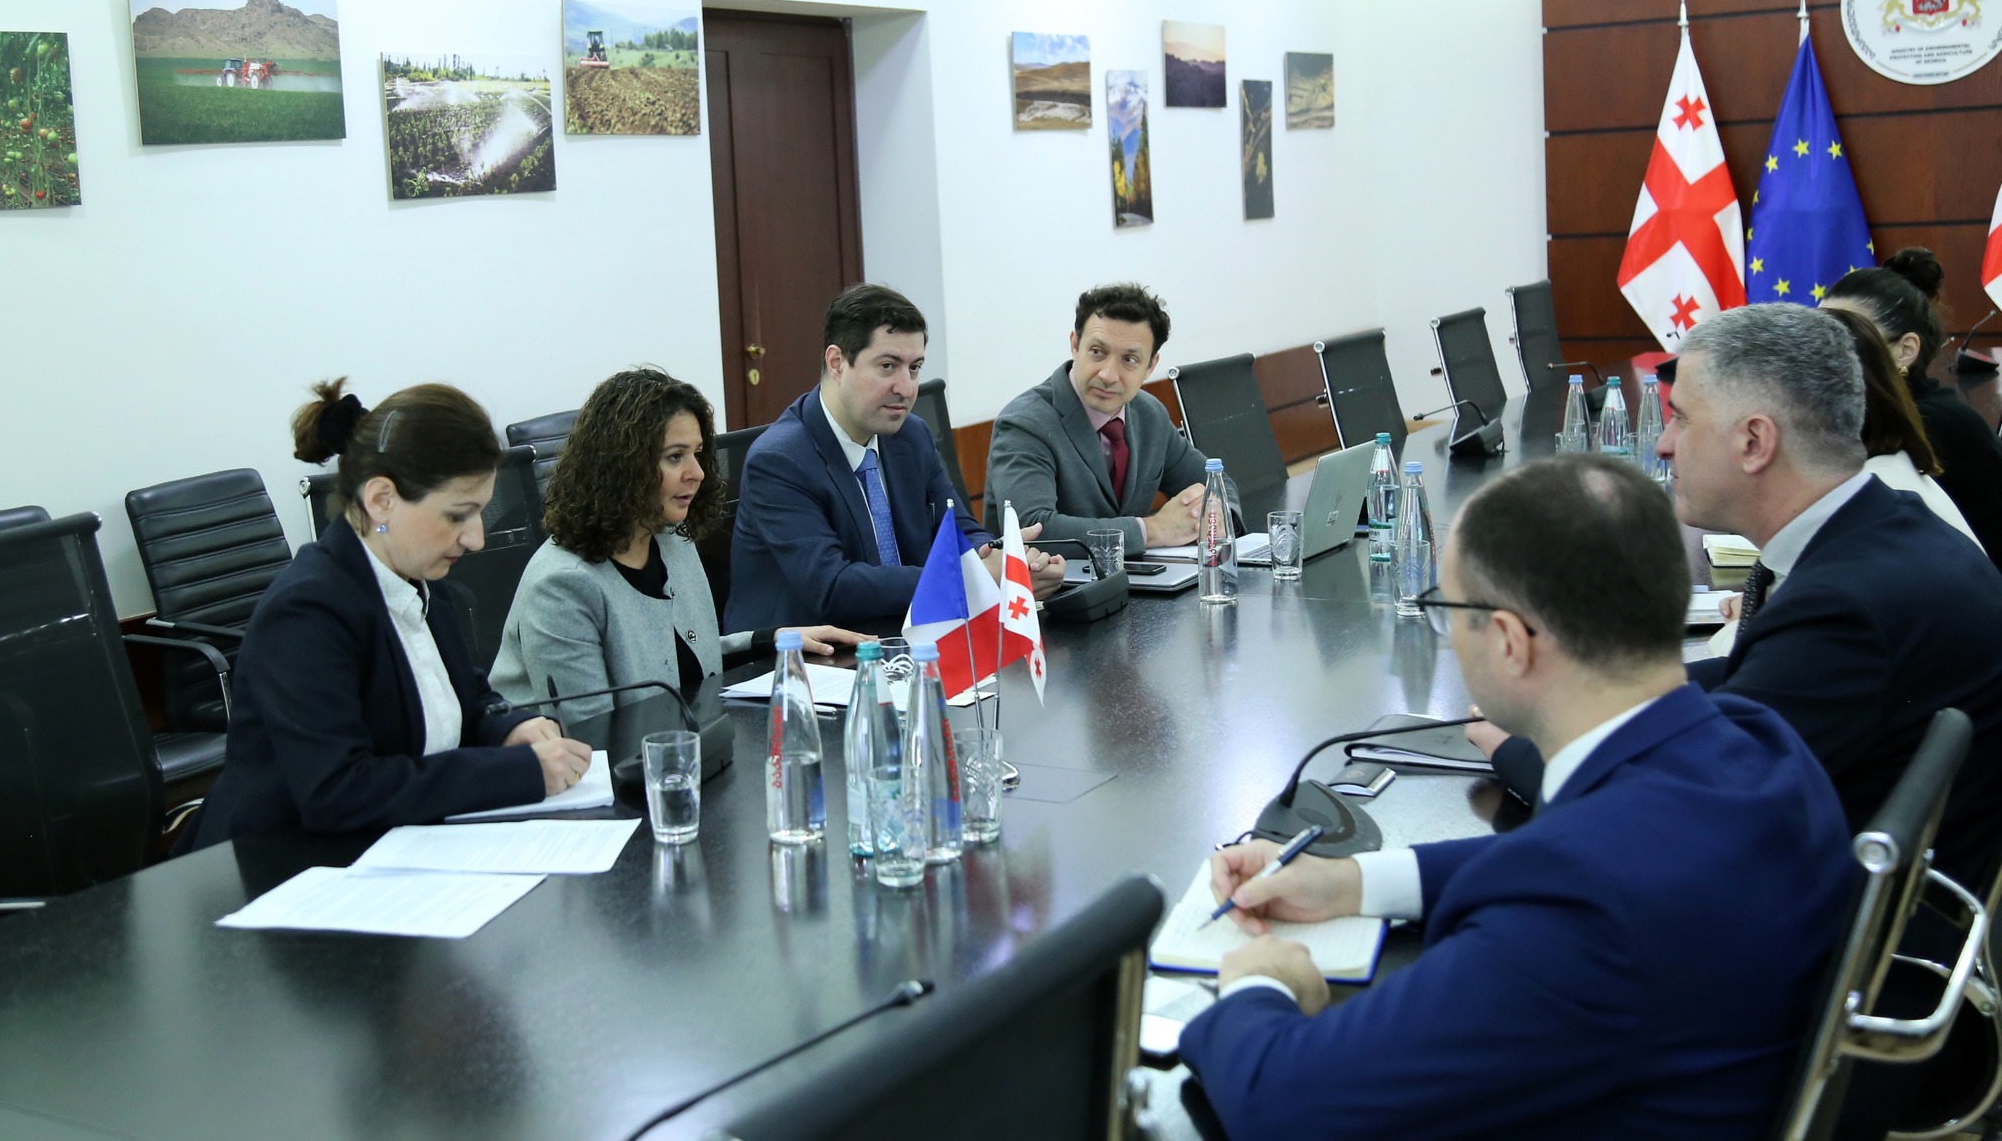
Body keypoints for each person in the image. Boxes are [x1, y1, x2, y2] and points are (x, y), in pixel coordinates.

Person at [1180, 455, 1852, 1139]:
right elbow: (1575, 856)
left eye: (1449, 612)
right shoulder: (1755, 739)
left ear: (1508, 641)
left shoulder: (1579, 910)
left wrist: (1260, 983)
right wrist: (1350, 881)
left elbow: (1281, 1104)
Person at [1478, 303, 2002, 884]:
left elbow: (1667, 818)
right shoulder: (1886, 525)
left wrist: (1519, 745)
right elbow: (1746, 678)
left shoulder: (1848, 605)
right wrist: (1589, 690)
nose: (1664, 445)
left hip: (1826, 921)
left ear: (1754, 441)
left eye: (1681, 420)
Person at [190, 379, 592, 849]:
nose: (476, 539)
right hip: (279, 863)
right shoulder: (306, 612)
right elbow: (336, 790)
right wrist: (515, 772)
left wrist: (510, 728)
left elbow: (468, 699)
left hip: (393, 849)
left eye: (480, 512)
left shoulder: (419, 579)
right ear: (382, 500)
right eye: (457, 515)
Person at [490, 368, 866, 725]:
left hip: (677, 743)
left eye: (697, 453)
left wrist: (772, 640)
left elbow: (677, 657)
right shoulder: (561, 586)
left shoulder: (669, 537)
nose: (697, 472)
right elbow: (592, 736)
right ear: (622, 466)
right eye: (675, 457)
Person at [727, 284, 1065, 634]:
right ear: (837, 363)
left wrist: (1007, 560)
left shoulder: (911, 435)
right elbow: (833, 587)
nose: (906, 387)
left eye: (914, 368)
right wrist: (971, 578)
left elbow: (959, 530)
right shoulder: (779, 461)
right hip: (809, 656)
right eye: (888, 366)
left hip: (908, 635)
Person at [983, 282, 1238, 554]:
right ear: (1075, 345)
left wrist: (1213, 517)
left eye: (1129, 359)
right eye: (1097, 352)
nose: (1108, 375)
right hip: (1052, 580)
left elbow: (1218, 486)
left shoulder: (1150, 414)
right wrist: (1153, 530)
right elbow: (1032, 530)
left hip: (1137, 576)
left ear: (1150, 365)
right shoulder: (1024, 423)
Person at [1824, 249, 2002, 567]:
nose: (1822, 352)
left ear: (1905, 350)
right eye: (1820, 334)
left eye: (1847, 336)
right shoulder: (1867, 414)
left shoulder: (1929, 424)